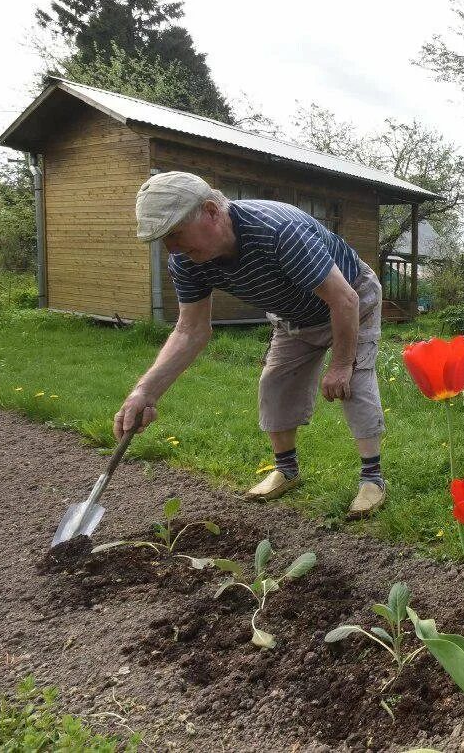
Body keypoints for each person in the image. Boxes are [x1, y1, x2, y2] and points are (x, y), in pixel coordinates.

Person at [113, 171, 386, 519]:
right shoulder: (187, 260)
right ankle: (286, 470)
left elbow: (344, 299)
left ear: (211, 211)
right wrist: (144, 392)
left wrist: (341, 363)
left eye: (175, 234)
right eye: (163, 239)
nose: (172, 247)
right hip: (293, 315)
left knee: (354, 383)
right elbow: (190, 330)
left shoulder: (278, 232)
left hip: (351, 300)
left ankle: (372, 479)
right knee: (275, 383)